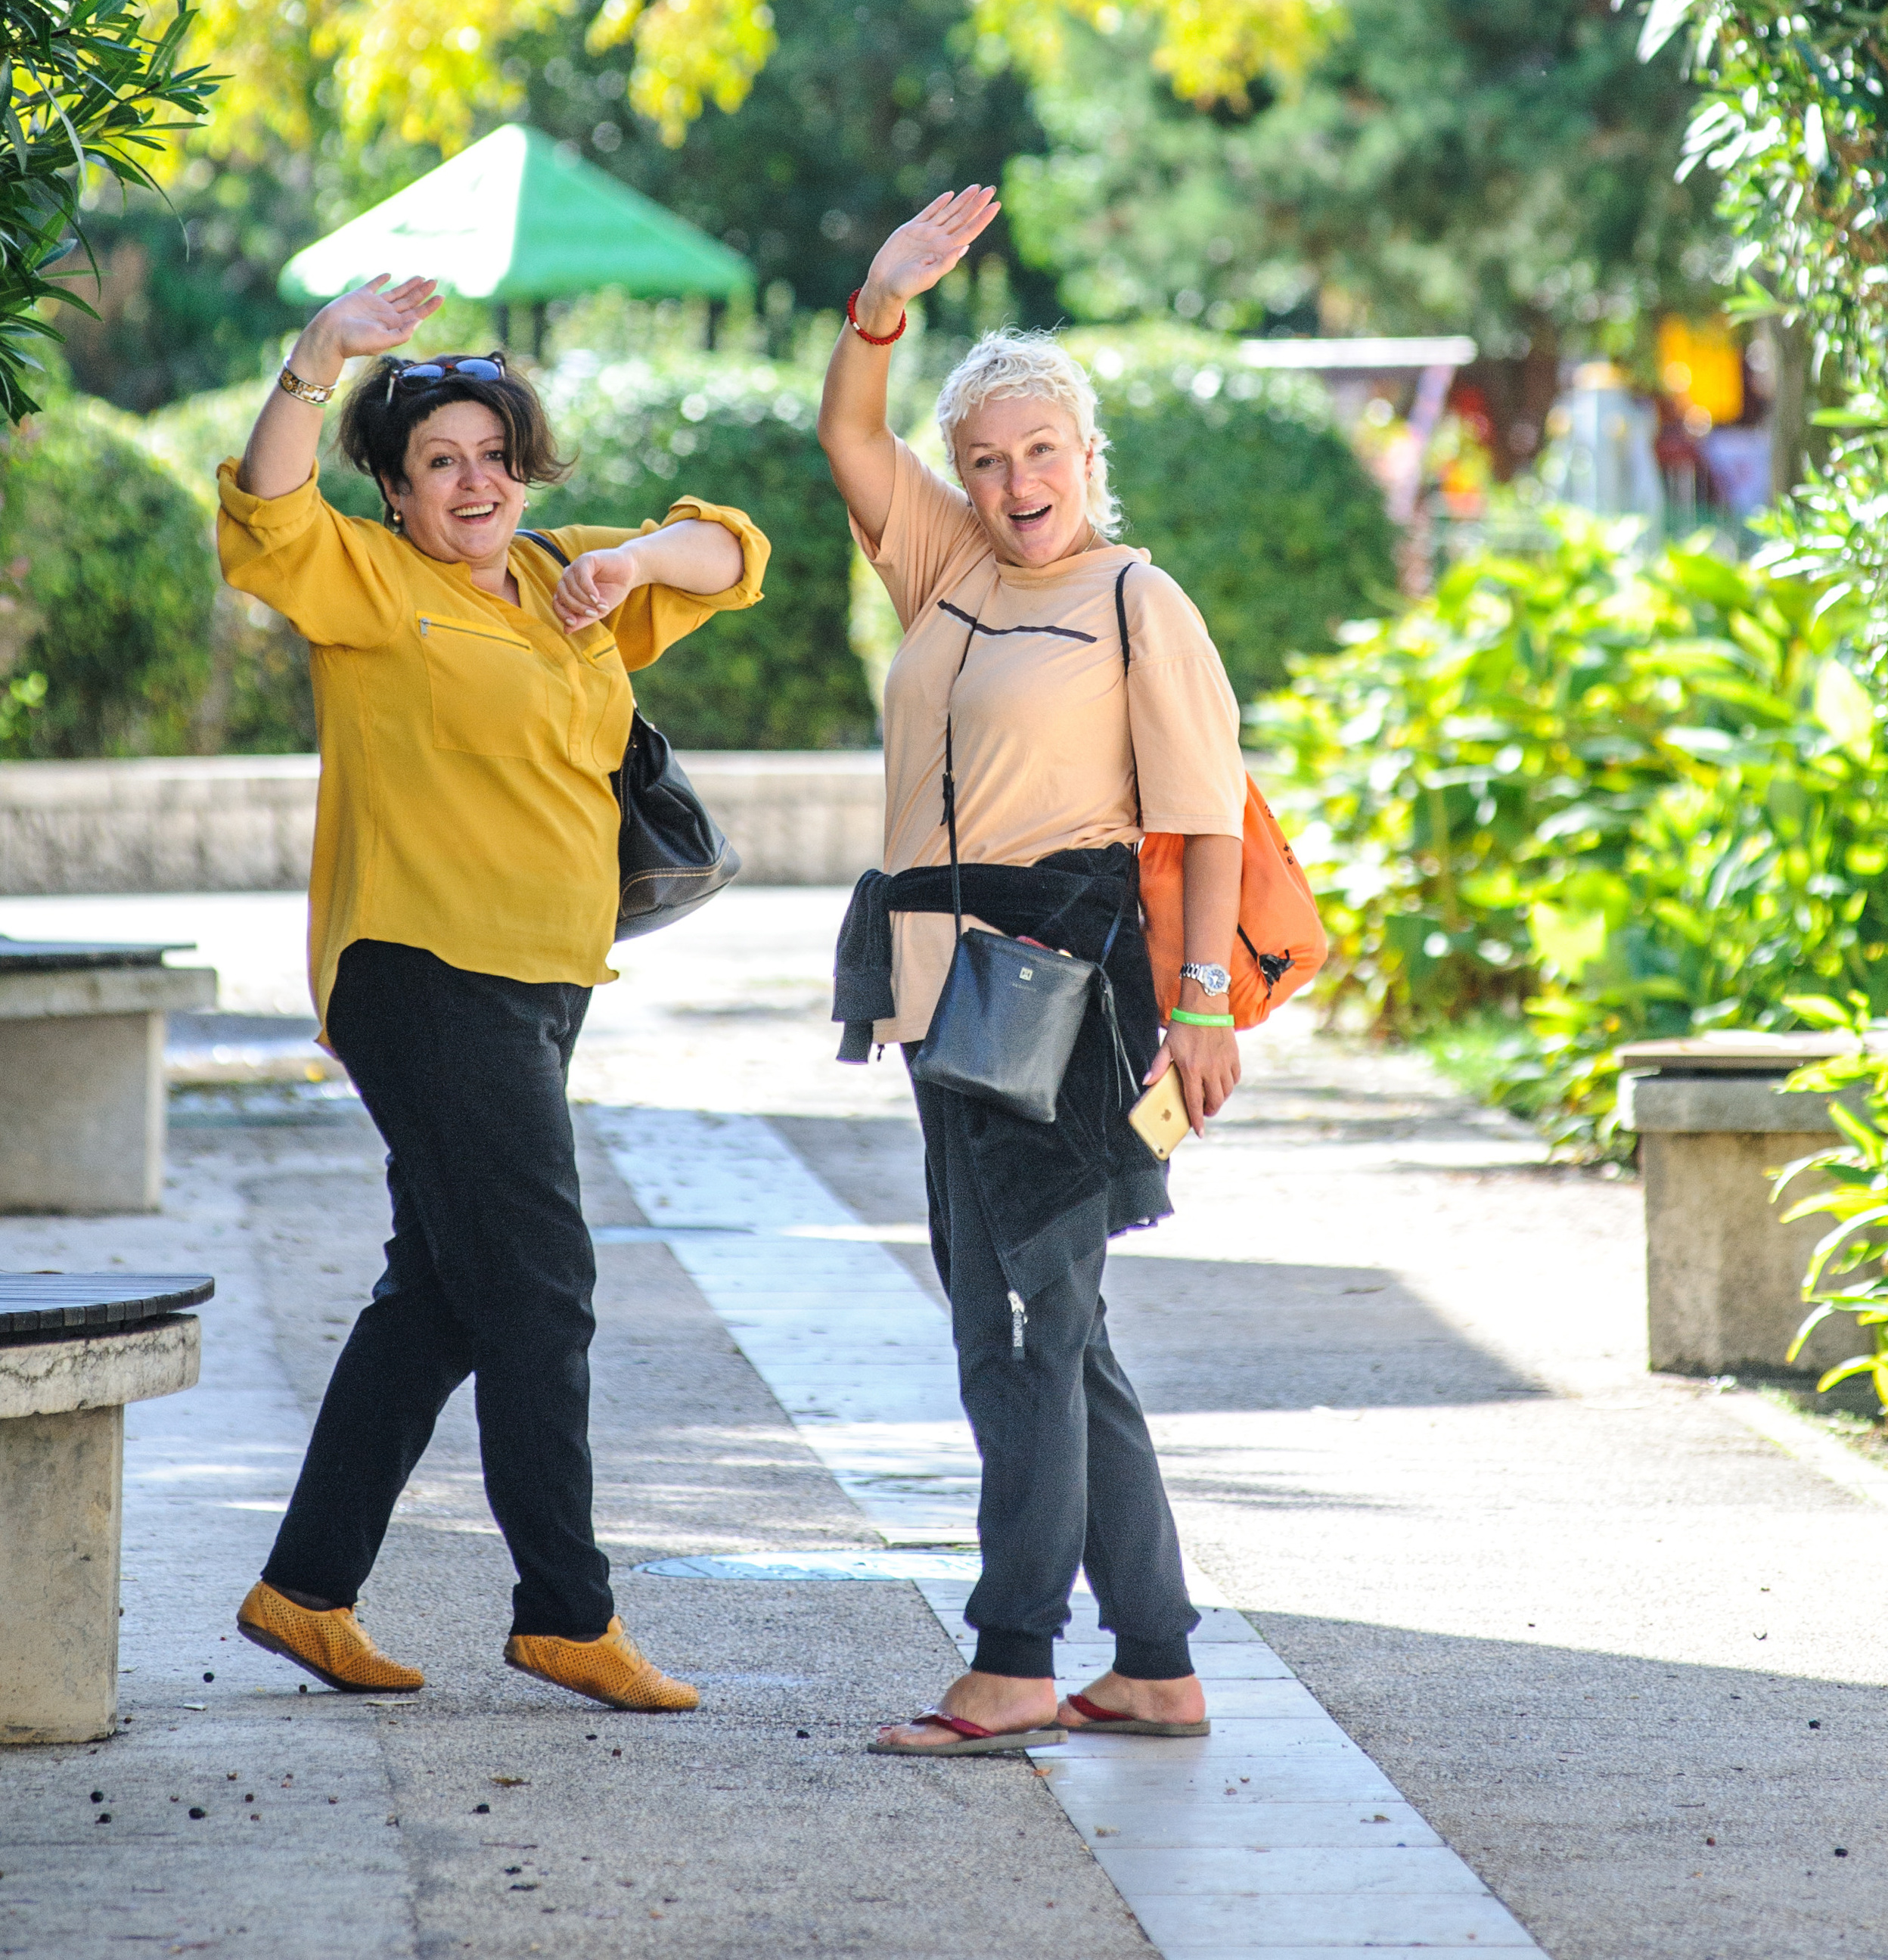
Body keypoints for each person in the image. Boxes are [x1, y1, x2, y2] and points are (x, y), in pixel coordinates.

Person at [216, 273, 769, 1710]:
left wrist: (629, 563)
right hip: (424, 969)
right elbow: (268, 510)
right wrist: (319, 356)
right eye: (442, 461)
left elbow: (734, 550)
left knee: (445, 1296)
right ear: (396, 491)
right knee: (541, 1287)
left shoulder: (559, 578)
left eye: (497, 455)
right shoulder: (367, 583)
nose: (476, 482)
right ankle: (566, 1615)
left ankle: (305, 1590)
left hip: (541, 981)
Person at [817, 189, 1248, 1756]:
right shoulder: (947, 568)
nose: (1015, 485)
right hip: (943, 989)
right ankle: (1152, 1662)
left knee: (1015, 1328)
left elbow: (1202, 816)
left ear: (1086, 455)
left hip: (1062, 987)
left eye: (1040, 451)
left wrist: (1201, 1008)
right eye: (986, 458)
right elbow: (849, 437)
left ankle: (1011, 1660)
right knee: (1060, 1324)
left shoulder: (1135, 598)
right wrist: (881, 295)